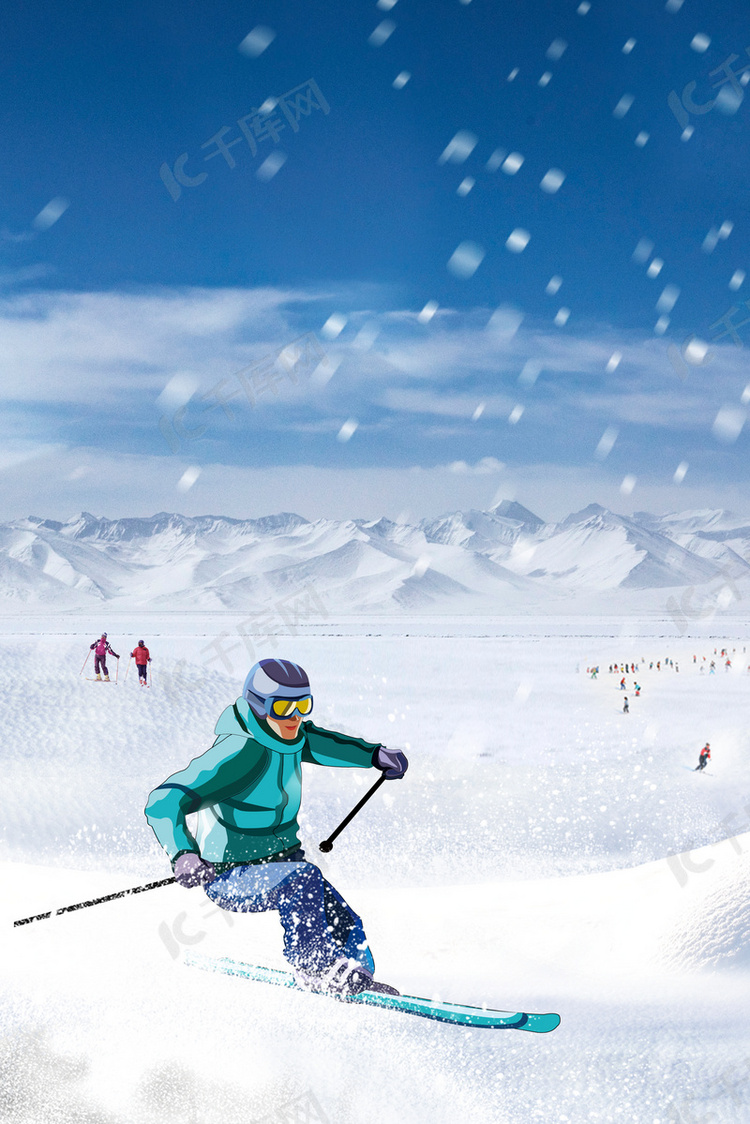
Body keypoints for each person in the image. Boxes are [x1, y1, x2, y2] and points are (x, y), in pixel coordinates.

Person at [145, 658, 408, 998]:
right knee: (304, 879)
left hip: (283, 865)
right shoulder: (240, 752)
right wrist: (183, 854)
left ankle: (356, 977)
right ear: (258, 706)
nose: (295, 717)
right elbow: (164, 801)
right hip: (232, 875)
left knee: (345, 921)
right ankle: (314, 967)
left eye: (303, 706)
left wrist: (375, 756)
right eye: (283, 707)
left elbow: (328, 743)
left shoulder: (294, 737)